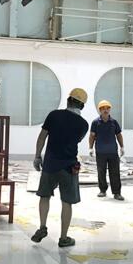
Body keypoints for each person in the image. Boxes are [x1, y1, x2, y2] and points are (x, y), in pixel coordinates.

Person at [31, 88, 90, 248]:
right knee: (67, 202)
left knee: (44, 196)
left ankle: (42, 227)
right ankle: (63, 238)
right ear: (82, 106)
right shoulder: (84, 125)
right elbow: (76, 140)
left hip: (50, 164)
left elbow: (42, 137)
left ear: (68, 100)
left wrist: (37, 156)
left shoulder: (54, 115)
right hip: (69, 166)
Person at [89, 100, 125, 200]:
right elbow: (92, 136)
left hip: (113, 152)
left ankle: (117, 193)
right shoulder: (95, 122)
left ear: (110, 110)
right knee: (101, 172)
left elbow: (119, 135)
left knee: (115, 173)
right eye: (103, 108)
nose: (105, 110)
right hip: (100, 152)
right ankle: (102, 190)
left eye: (107, 108)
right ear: (100, 110)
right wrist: (90, 148)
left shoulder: (114, 122)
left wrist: (122, 147)